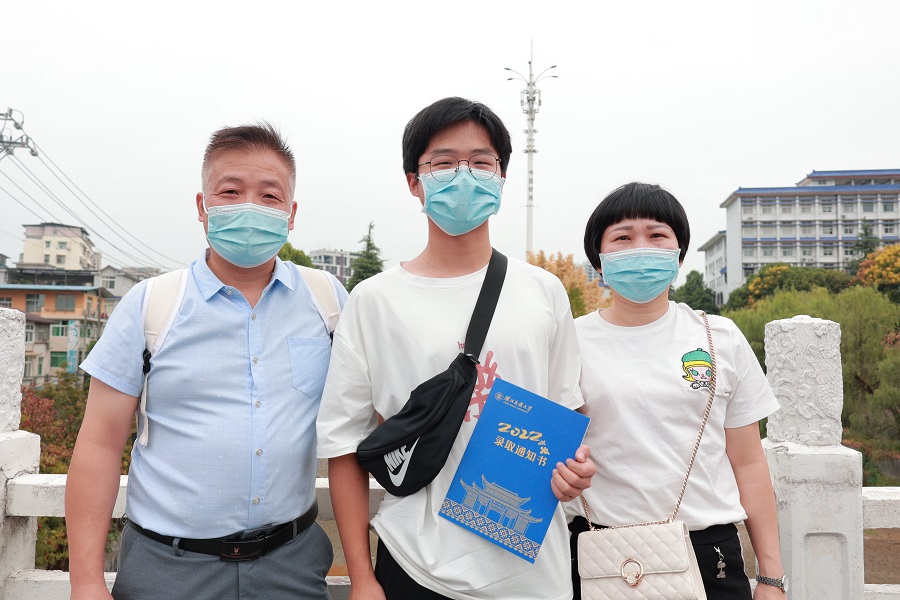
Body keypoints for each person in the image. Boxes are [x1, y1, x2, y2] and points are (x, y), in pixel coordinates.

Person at [315, 96, 595, 600]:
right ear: (414, 181)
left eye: (481, 162)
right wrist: (361, 577)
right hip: (415, 564)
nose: (464, 175)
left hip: (533, 569)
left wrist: (575, 470)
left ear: (501, 177)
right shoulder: (375, 300)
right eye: (443, 162)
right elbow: (344, 445)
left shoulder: (543, 291)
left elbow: (564, 417)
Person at [65, 123, 347, 600]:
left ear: (291, 213)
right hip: (167, 569)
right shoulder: (151, 305)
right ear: (202, 206)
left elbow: (360, 418)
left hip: (292, 564)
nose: (250, 207)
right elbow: (99, 443)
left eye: (270, 195)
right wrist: (86, 580)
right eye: (230, 191)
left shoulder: (328, 301)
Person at [569, 182, 787, 599]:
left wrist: (771, 576)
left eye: (656, 235)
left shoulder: (719, 337)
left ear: (679, 256)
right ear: (599, 261)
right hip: (599, 552)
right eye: (622, 238)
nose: (640, 248)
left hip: (708, 552)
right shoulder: (567, 342)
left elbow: (747, 461)